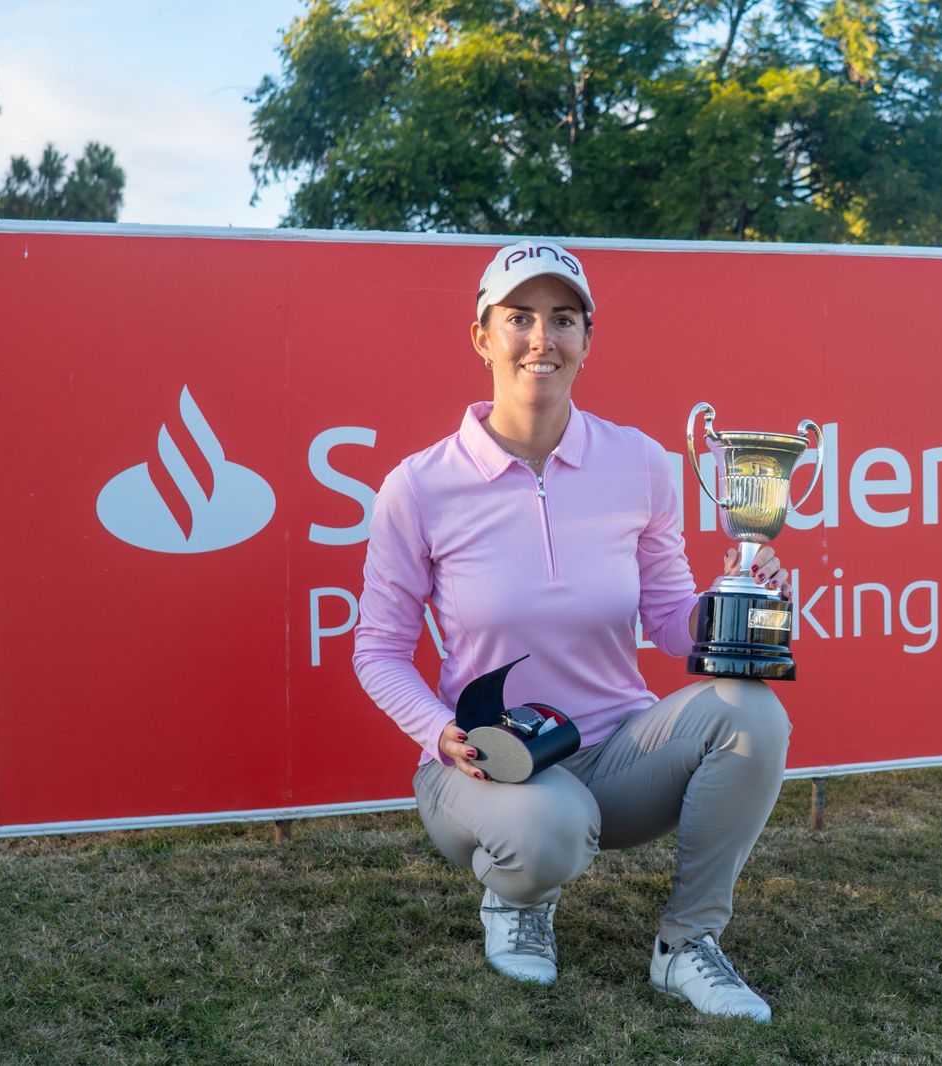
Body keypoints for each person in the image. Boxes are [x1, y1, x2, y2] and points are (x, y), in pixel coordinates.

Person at [352, 240, 792, 1023]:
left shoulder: (640, 463)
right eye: (519, 317)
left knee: (752, 712)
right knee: (551, 830)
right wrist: (439, 732)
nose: (540, 339)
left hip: (618, 754)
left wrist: (735, 598)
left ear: (587, 340)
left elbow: (666, 621)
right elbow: (379, 650)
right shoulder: (419, 485)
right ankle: (515, 900)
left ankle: (687, 945)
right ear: (482, 335)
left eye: (563, 319)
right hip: (487, 765)